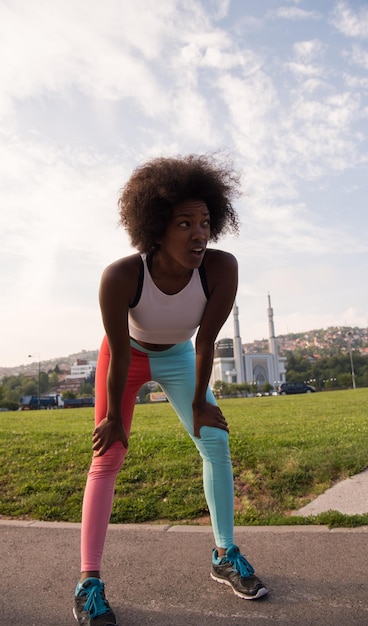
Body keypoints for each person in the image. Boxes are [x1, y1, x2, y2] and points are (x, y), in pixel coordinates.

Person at [73, 154, 268, 626]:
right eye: (185, 223)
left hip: (182, 356)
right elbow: (119, 354)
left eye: (204, 221)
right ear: (156, 228)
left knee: (215, 442)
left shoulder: (221, 269)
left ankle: (224, 555)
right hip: (128, 357)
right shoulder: (121, 276)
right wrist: (114, 419)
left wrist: (201, 402)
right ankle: (88, 583)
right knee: (108, 455)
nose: (199, 233)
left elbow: (206, 341)